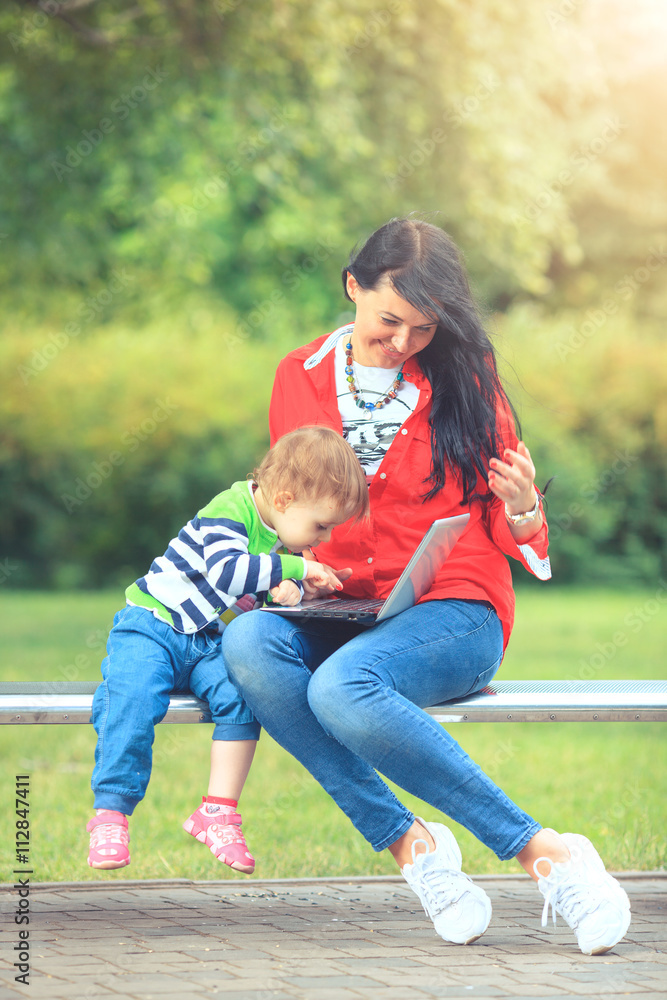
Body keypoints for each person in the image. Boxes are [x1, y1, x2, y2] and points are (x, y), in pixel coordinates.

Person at [221, 217, 632, 955]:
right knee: (247, 640)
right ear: (352, 286)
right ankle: (412, 843)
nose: (403, 341)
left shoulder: (464, 378)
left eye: (420, 327)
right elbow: (284, 506)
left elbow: (515, 527)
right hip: (339, 603)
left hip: (454, 608)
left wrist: (523, 507)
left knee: (342, 687)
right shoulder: (299, 376)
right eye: (387, 321)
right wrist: (279, 575)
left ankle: (543, 852)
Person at [86, 426, 369, 874]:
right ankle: (111, 813)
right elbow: (228, 573)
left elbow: (245, 596)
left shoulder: (273, 533)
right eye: (321, 526)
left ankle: (217, 813)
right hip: (152, 627)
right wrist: (297, 565)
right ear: (284, 499)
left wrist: (290, 593)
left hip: (202, 638)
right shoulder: (229, 509)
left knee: (242, 698)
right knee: (132, 699)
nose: (322, 540)